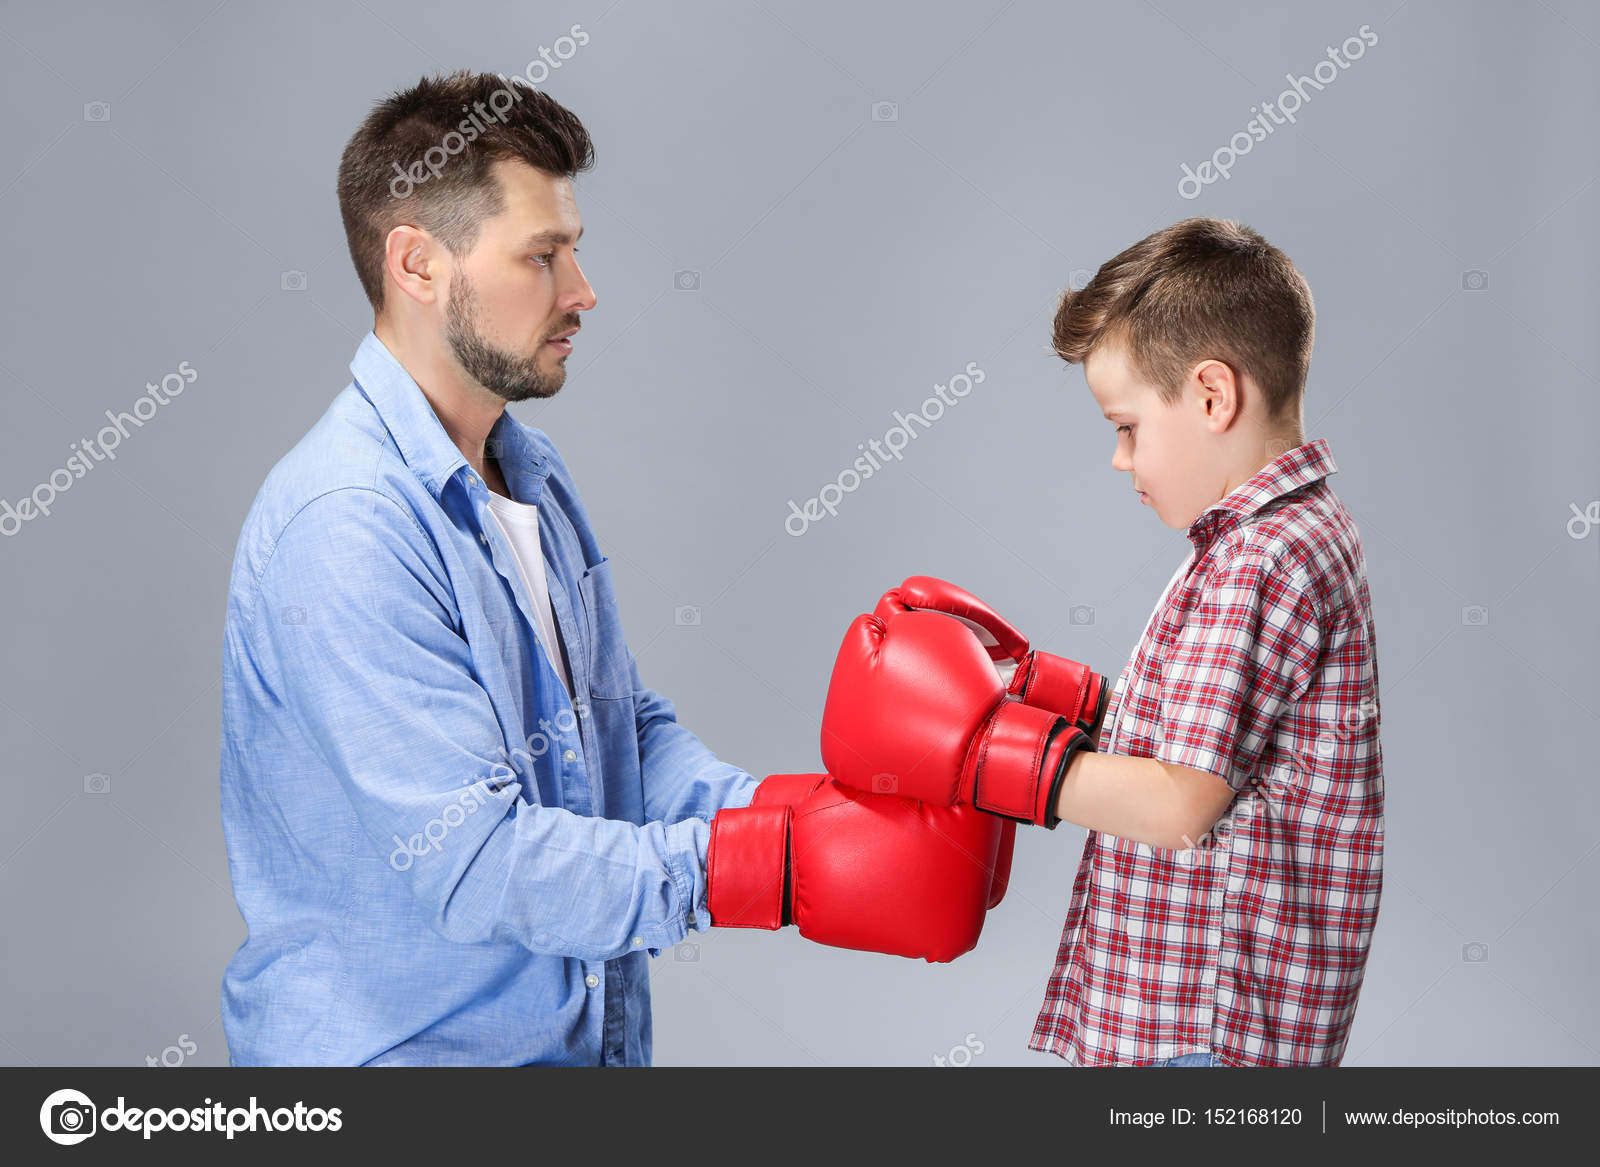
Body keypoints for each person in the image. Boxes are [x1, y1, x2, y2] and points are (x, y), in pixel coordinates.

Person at [218, 70, 1010, 1067]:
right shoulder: (346, 526)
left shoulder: (530, 477)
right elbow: (475, 863)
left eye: (574, 251)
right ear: (417, 265)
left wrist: (806, 815)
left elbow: (616, 734)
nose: (582, 292)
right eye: (542, 257)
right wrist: (774, 867)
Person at [820, 217, 1384, 1067]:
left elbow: (1180, 802)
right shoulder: (1280, 533)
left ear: (1211, 397)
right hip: (1204, 1012)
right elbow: (1221, 738)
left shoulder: (1260, 558)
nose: (1120, 460)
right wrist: (1056, 692)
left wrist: (985, 757)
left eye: (1126, 427)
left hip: (1205, 1027)